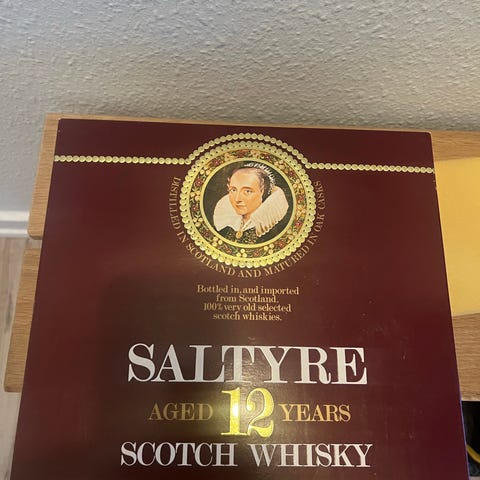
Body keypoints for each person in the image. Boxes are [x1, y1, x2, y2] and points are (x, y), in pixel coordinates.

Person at [213, 163, 289, 243]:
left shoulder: (273, 230)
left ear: (262, 191)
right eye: (233, 190)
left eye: (247, 191)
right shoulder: (227, 226)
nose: (237, 199)